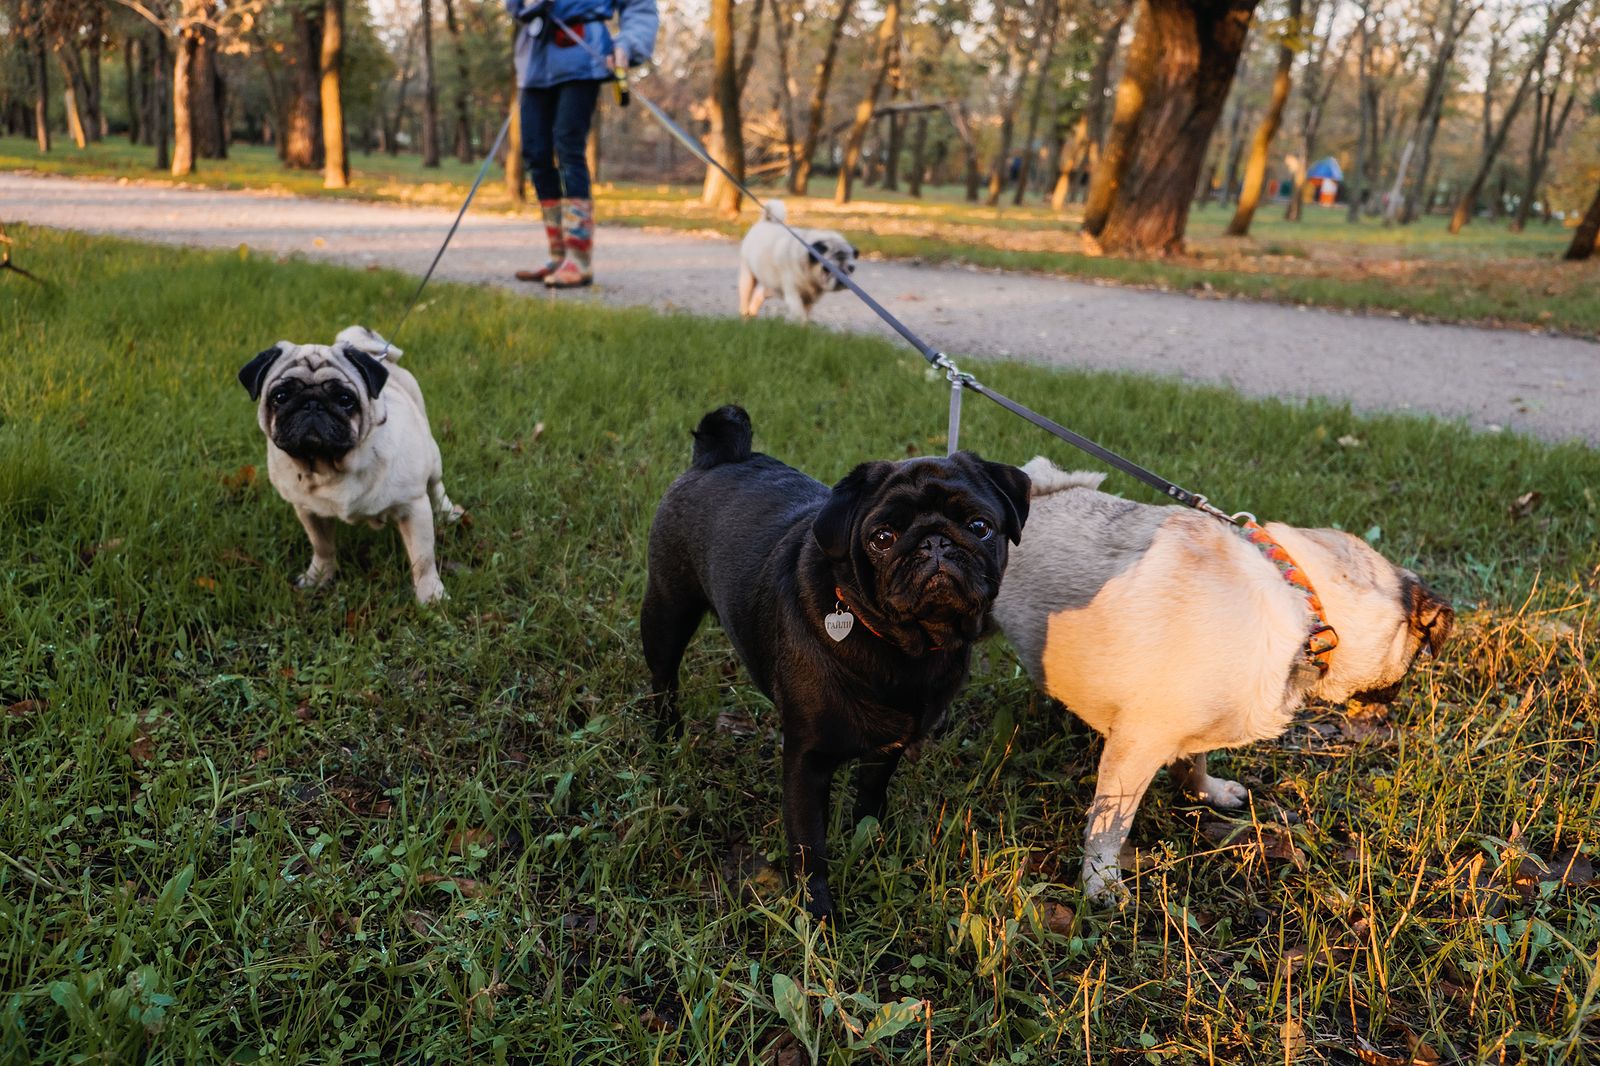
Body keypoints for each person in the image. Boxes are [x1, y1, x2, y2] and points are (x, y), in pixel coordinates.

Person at [505, 0, 658, 288]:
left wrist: (627, 44)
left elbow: (640, 8)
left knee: (568, 147)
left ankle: (579, 258)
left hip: (581, 56)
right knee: (535, 153)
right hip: (533, 62)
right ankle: (558, 254)